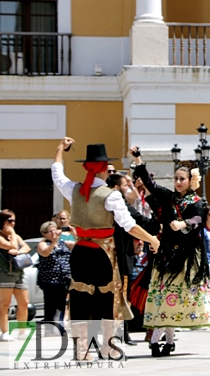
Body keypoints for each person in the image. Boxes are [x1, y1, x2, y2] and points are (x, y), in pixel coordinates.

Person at [52, 139, 160, 360]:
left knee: (80, 298)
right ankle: (108, 347)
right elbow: (129, 225)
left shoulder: (74, 189)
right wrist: (152, 239)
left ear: (86, 166)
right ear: (104, 168)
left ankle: (82, 350)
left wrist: (59, 151)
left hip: (80, 250)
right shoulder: (110, 195)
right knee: (109, 298)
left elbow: (57, 175)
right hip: (102, 252)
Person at [129, 147, 210, 357]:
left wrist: (183, 222)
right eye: (176, 178)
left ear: (190, 181)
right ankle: (163, 340)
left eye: (182, 179)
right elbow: (150, 184)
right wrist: (138, 159)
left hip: (185, 258)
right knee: (164, 297)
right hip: (166, 255)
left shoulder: (196, 201)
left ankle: (164, 340)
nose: (177, 182)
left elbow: (197, 220)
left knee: (175, 299)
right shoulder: (168, 197)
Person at [109, 173, 160, 346]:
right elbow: (140, 223)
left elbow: (144, 222)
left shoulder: (115, 204)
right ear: (116, 188)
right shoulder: (120, 206)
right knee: (118, 296)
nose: (130, 186)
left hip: (116, 257)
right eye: (126, 184)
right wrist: (153, 231)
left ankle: (120, 333)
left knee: (120, 296)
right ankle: (117, 334)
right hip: (117, 257)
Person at [0, 210, 31, 341]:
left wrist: (18, 251)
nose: (13, 223)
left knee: (24, 302)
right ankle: (5, 331)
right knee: (5, 303)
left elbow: (26, 247)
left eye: (14, 221)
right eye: (9, 221)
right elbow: (10, 245)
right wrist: (12, 234)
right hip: (5, 272)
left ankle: (22, 331)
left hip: (18, 272)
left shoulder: (16, 236)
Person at [36, 221, 73, 331]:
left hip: (64, 278)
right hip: (49, 280)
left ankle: (59, 327)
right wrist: (54, 242)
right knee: (50, 305)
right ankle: (49, 329)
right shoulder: (43, 243)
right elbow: (45, 253)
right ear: (44, 233)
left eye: (54, 230)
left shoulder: (63, 242)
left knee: (61, 304)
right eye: (50, 231)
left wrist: (73, 233)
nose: (53, 233)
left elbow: (76, 245)